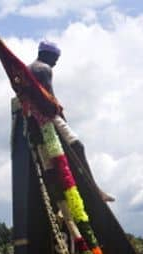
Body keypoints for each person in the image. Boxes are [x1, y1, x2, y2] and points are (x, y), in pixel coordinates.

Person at [29, 40, 115, 202]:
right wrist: (61, 118)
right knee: (77, 147)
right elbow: (50, 100)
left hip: (33, 121)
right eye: (55, 58)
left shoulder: (28, 69)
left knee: (50, 165)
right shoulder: (43, 68)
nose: (56, 62)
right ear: (46, 54)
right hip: (48, 118)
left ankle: (61, 201)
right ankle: (94, 189)